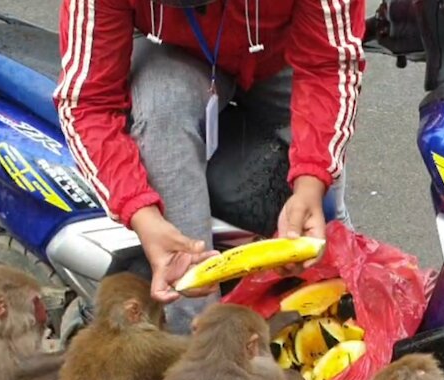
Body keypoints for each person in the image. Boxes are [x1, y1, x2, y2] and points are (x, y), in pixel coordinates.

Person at [53, 0, 367, 332]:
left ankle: (348, 302)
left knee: (326, 216)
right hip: (176, 56)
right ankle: (195, 338)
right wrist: (143, 216)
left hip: (283, 53)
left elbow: (328, 67)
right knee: (163, 109)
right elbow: (88, 103)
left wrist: (311, 183)